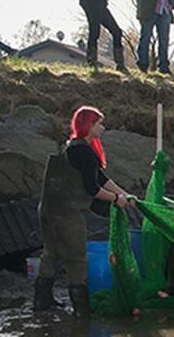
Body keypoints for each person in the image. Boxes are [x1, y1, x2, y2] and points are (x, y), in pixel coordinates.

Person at [35, 106, 135, 317]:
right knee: (76, 259)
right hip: (67, 213)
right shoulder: (85, 152)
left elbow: (100, 178)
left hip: (47, 209)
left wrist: (125, 194)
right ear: (89, 126)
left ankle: (41, 302)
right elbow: (93, 189)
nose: (103, 128)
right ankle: (82, 310)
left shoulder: (71, 147)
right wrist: (117, 200)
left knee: (50, 254)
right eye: (99, 123)